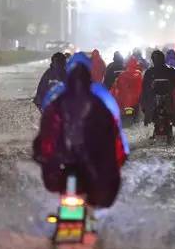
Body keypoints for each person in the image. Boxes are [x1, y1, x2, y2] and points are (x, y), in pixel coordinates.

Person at [33, 54, 127, 208]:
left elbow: (44, 134)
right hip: (85, 167)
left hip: (65, 166)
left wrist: (42, 156)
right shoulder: (100, 99)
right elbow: (115, 133)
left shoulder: (57, 99)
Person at [141, 50, 175, 128]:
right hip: (167, 104)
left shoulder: (149, 72)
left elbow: (144, 89)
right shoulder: (172, 71)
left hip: (159, 104)